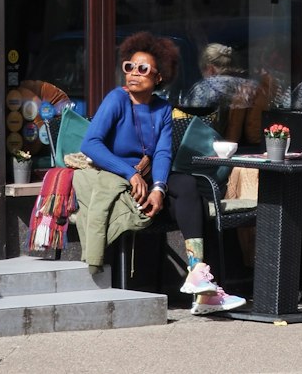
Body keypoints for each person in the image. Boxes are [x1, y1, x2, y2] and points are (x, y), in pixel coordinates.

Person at [77, 31, 245, 315]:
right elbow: (90, 143)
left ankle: (197, 275)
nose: (133, 74)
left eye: (143, 69)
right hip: (118, 177)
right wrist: (129, 174)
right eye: (129, 66)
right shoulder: (117, 99)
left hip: (149, 181)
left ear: (158, 77)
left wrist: (158, 187)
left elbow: (164, 153)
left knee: (188, 185)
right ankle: (204, 290)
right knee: (190, 197)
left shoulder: (163, 109)